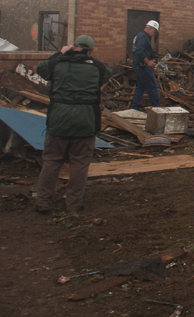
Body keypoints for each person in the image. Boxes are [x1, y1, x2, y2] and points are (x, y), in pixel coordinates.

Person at [34, 35, 112, 214]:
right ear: (90, 51)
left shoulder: (57, 63)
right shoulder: (97, 67)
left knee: (52, 161)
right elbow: (107, 73)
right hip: (85, 121)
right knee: (80, 163)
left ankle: (43, 202)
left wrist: (59, 53)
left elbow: (41, 70)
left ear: (73, 47)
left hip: (59, 120)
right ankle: (73, 205)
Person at [130, 20, 161, 110]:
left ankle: (134, 107)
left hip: (138, 65)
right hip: (143, 66)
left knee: (141, 87)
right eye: (154, 31)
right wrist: (148, 62)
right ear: (150, 29)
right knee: (152, 86)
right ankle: (157, 107)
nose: (153, 33)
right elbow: (139, 51)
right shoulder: (144, 37)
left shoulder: (140, 36)